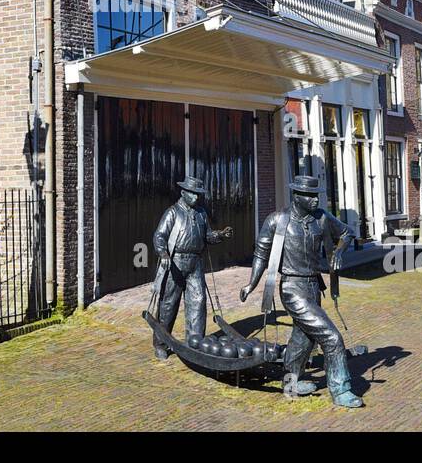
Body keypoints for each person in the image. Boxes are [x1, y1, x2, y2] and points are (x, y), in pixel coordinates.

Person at [240, 174, 363, 408]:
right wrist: (251, 284)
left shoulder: (321, 218)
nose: (316, 200)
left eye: (317, 196)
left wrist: (338, 252)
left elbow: (347, 233)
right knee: (331, 337)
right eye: (310, 196)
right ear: (297, 196)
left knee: (303, 339)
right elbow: (261, 254)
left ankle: (290, 382)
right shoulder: (277, 220)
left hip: (314, 286)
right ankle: (341, 388)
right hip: (292, 288)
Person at [150, 176, 233, 361]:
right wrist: (163, 254)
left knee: (198, 301)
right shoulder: (172, 213)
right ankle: (161, 343)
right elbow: (159, 236)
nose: (196, 197)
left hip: (195, 263)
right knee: (168, 304)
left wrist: (219, 235)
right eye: (193, 193)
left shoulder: (201, 213)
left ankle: (195, 342)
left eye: (198, 194)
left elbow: (207, 236)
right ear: (183, 193)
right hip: (176, 263)